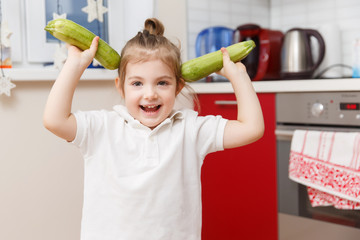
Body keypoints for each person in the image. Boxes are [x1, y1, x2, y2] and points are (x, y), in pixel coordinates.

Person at [43, 18, 264, 240]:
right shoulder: (102, 127)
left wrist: (239, 77)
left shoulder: (190, 129)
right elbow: (55, 120)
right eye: (137, 83)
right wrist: (75, 65)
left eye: (162, 83)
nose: (150, 94)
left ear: (178, 87)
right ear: (120, 86)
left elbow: (251, 128)